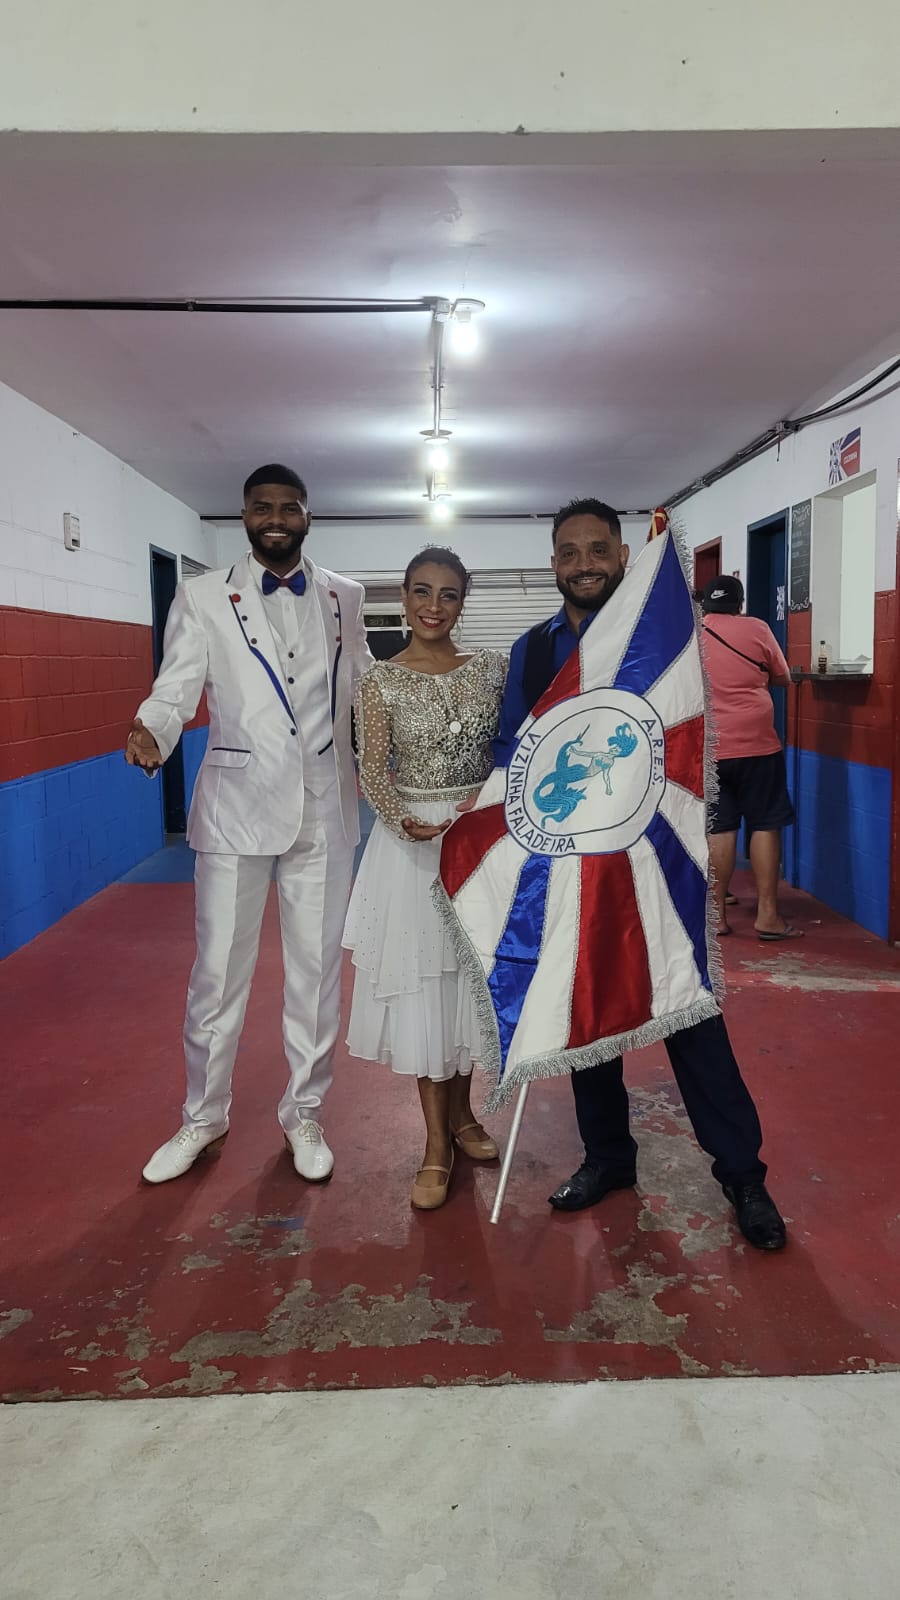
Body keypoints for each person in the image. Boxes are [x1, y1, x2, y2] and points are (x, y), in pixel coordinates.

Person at [492, 498, 787, 1251]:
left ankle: (743, 1174)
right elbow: (511, 754)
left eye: (599, 549)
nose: (584, 564)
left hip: (659, 861)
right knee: (589, 1016)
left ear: (623, 557)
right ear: (552, 565)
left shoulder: (667, 638)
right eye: (569, 553)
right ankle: (608, 1158)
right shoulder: (532, 652)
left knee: (687, 1010)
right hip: (579, 862)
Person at [126, 465, 372, 1184]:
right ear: (244, 515)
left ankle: (305, 1114)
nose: (276, 519)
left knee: (316, 976)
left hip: (324, 809)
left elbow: (363, 684)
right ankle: (203, 1117)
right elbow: (177, 683)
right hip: (236, 810)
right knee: (217, 975)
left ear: (307, 515)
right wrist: (153, 727)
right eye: (263, 507)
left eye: (289, 508)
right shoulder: (203, 595)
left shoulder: (345, 595)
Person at [343, 547, 506, 1210]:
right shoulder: (379, 681)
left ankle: (464, 1116)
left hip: (478, 843)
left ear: (463, 602)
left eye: (448, 594)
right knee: (426, 990)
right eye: (421, 592)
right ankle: (436, 1142)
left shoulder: (492, 669)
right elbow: (372, 768)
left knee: (466, 987)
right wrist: (400, 817)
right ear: (403, 598)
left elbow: (511, 748)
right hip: (413, 851)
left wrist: (490, 798)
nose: (433, 606)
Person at [700, 575, 801, 941]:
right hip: (758, 744)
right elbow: (783, 677)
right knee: (764, 823)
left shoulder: (691, 634)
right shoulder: (757, 629)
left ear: (705, 604)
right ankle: (768, 916)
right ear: (739, 604)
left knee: (720, 827)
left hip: (710, 747)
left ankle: (717, 917)